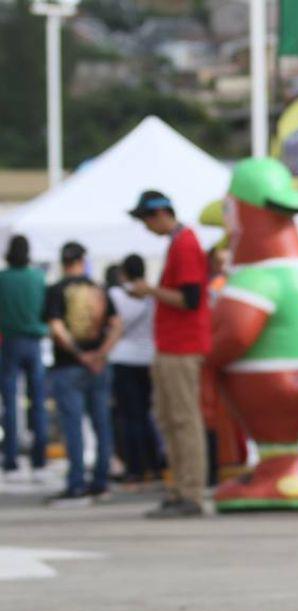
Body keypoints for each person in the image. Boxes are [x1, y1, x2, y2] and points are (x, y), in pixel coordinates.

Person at [128, 189, 210, 518]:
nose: (146, 227)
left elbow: (190, 299)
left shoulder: (186, 244)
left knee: (183, 420)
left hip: (182, 345)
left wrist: (150, 291)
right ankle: (179, 489)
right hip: (171, 346)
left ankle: (190, 492)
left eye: (147, 219)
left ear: (161, 214)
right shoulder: (179, 243)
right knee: (169, 419)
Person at [43, 241, 122, 506]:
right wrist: (100, 353)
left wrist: (79, 354)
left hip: (69, 365)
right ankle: (101, 480)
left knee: (73, 426)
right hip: (99, 366)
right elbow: (116, 325)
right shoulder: (97, 288)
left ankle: (76, 481)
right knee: (102, 424)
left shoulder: (56, 290)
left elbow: (56, 327)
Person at [107, 254, 163, 484]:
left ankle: (136, 466)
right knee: (146, 414)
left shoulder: (116, 295)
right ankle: (155, 463)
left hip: (123, 358)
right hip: (148, 357)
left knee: (129, 417)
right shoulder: (152, 295)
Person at [0, 234, 49, 481]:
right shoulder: (37, 277)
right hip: (34, 341)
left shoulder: (3, 279)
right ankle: (39, 461)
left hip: (9, 342)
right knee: (37, 404)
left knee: (10, 404)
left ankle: (11, 461)